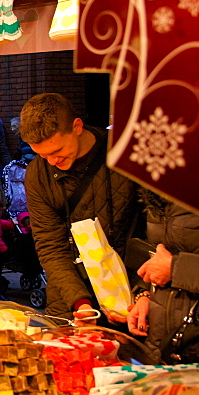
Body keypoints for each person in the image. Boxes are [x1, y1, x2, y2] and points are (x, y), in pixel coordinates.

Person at [20, 93, 141, 322]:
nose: (52, 161)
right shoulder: (37, 174)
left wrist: (143, 291)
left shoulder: (126, 154)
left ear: (77, 126)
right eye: (42, 155)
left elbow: (150, 229)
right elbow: (50, 245)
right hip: (68, 300)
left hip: (133, 294)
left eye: (57, 151)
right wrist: (80, 302)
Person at [127, 195, 199, 370]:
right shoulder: (158, 192)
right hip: (163, 344)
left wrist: (175, 269)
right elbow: (162, 253)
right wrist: (146, 295)